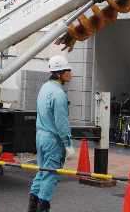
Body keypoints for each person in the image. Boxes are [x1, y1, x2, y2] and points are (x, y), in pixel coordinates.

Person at [28, 55, 75, 212]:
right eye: (68, 70)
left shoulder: (45, 88)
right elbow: (61, 123)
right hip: (53, 140)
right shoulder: (59, 94)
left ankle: (32, 208)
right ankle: (42, 208)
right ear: (59, 73)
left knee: (42, 172)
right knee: (50, 175)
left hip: (40, 136)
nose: (71, 73)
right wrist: (68, 145)